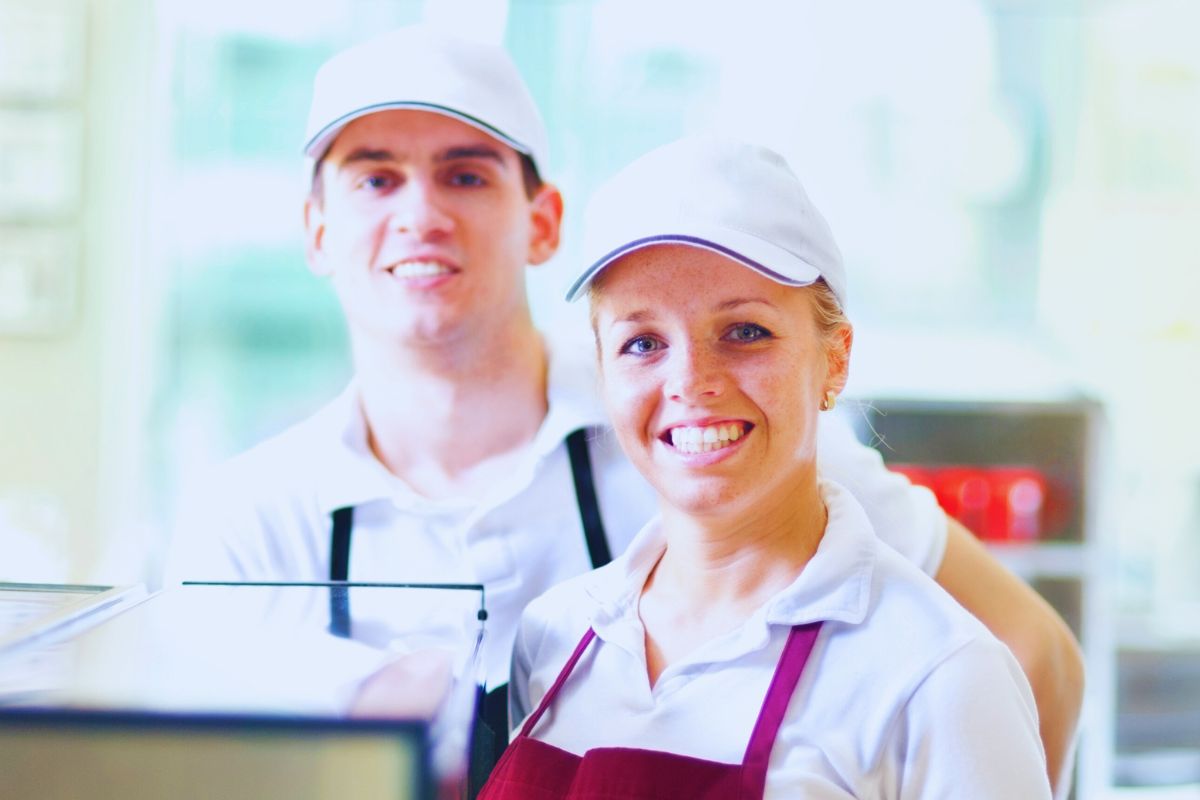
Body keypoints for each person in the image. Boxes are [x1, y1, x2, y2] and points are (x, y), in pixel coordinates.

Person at [164, 24, 1081, 792]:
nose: (421, 216)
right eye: (373, 177)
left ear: (543, 220)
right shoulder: (249, 525)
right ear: (316, 228)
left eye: (467, 174)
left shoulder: (727, 447)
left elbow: (1029, 652)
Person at [494, 136, 1052, 799]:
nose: (690, 382)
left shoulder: (937, 677)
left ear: (834, 359)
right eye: (643, 343)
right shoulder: (556, 639)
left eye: (744, 332)